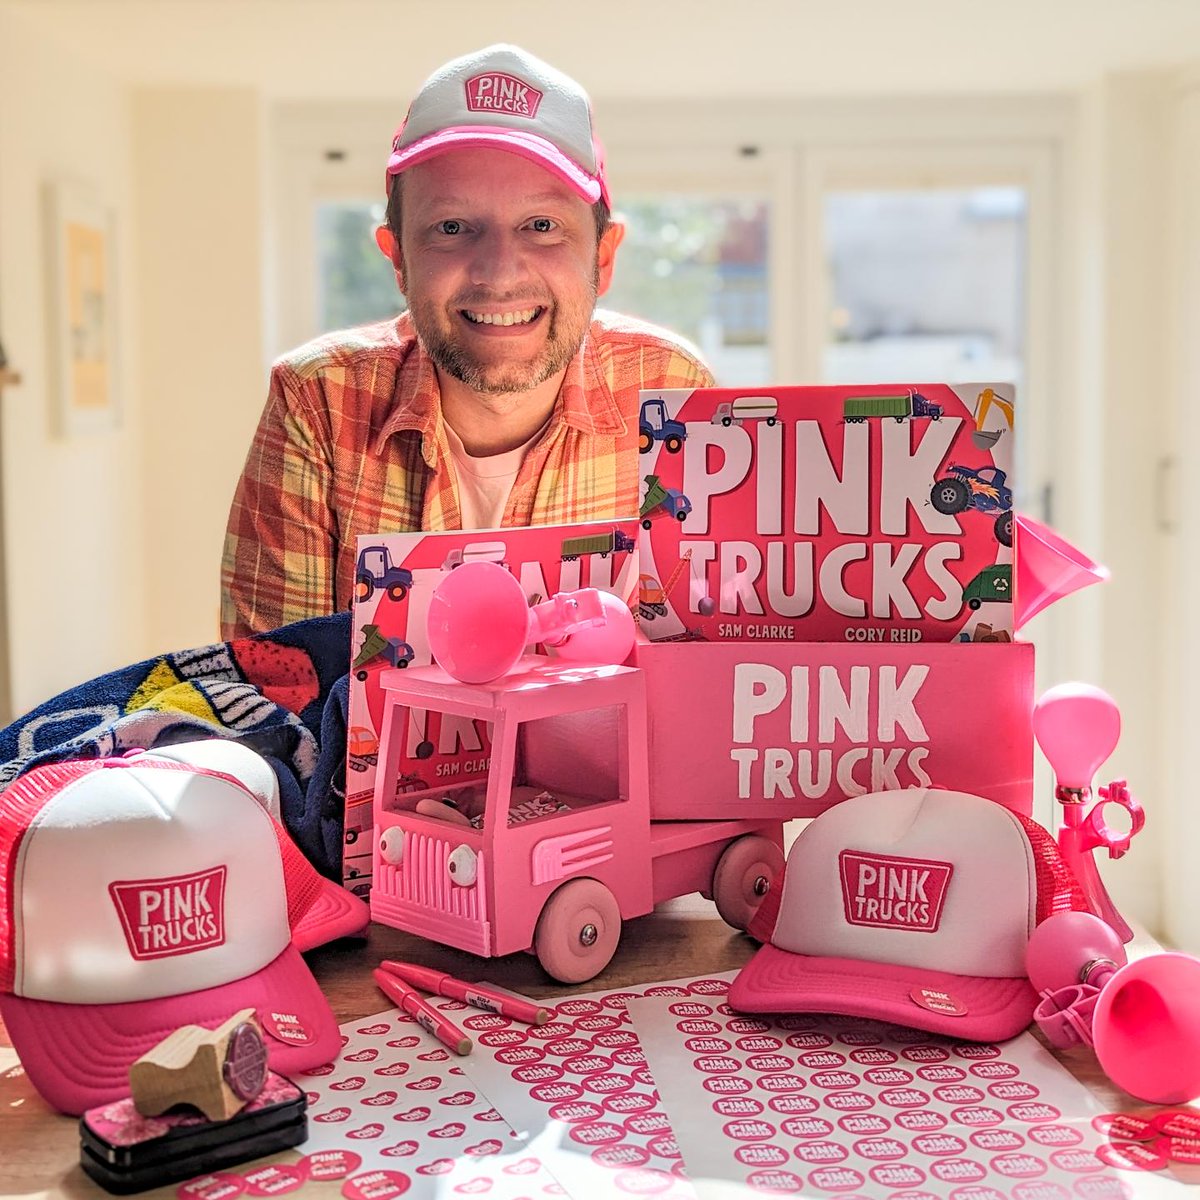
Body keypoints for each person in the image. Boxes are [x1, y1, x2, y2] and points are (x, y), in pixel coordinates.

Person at [220, 44, 714, 640]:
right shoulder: (317, 401)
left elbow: (698, 667)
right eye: (452, 227)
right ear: (398, 258)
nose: (499, 273)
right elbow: (281, 697)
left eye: (542, 226)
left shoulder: (672, 389)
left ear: (602, 258)